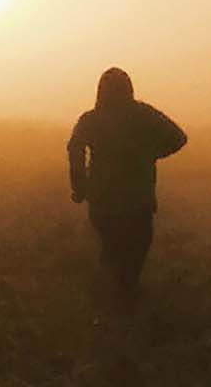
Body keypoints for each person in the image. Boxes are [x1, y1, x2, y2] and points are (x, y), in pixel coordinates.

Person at [67, 67, 185, 295]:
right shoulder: (144, 114)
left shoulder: (91, 119)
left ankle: (114, 302)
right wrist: (151, 153)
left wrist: (80, 187)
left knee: (112, 251)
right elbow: (178, 138)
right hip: (138, 201)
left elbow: (74, 148)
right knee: (134, 256)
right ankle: (126, 300)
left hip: (103, 203)